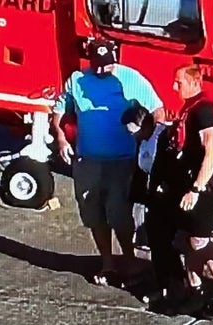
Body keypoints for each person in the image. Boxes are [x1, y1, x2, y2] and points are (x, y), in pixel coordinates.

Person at [51, 37, 165, 286]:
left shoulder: (131, 78)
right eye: (98, 65)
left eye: (108, 65)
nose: (102, 70)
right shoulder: (77, 80)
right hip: (87, 160)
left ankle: (129, 259)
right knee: (93, 213)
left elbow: (158, 109)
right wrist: (60, 138)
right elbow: (58, 111)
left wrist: (150, 141)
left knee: (119, 213)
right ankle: (108, 263)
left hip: (122, 161)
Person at [146, 64, 213, 318]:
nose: (174, 87)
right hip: (187, 184)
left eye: (179, 82)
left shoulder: (204, 112)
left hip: (205, 188)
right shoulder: (191, 109)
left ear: (194, 83)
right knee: (186, 239)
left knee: (199, 241)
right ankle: (195, 292)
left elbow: (212, 150)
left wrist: (197, 189)